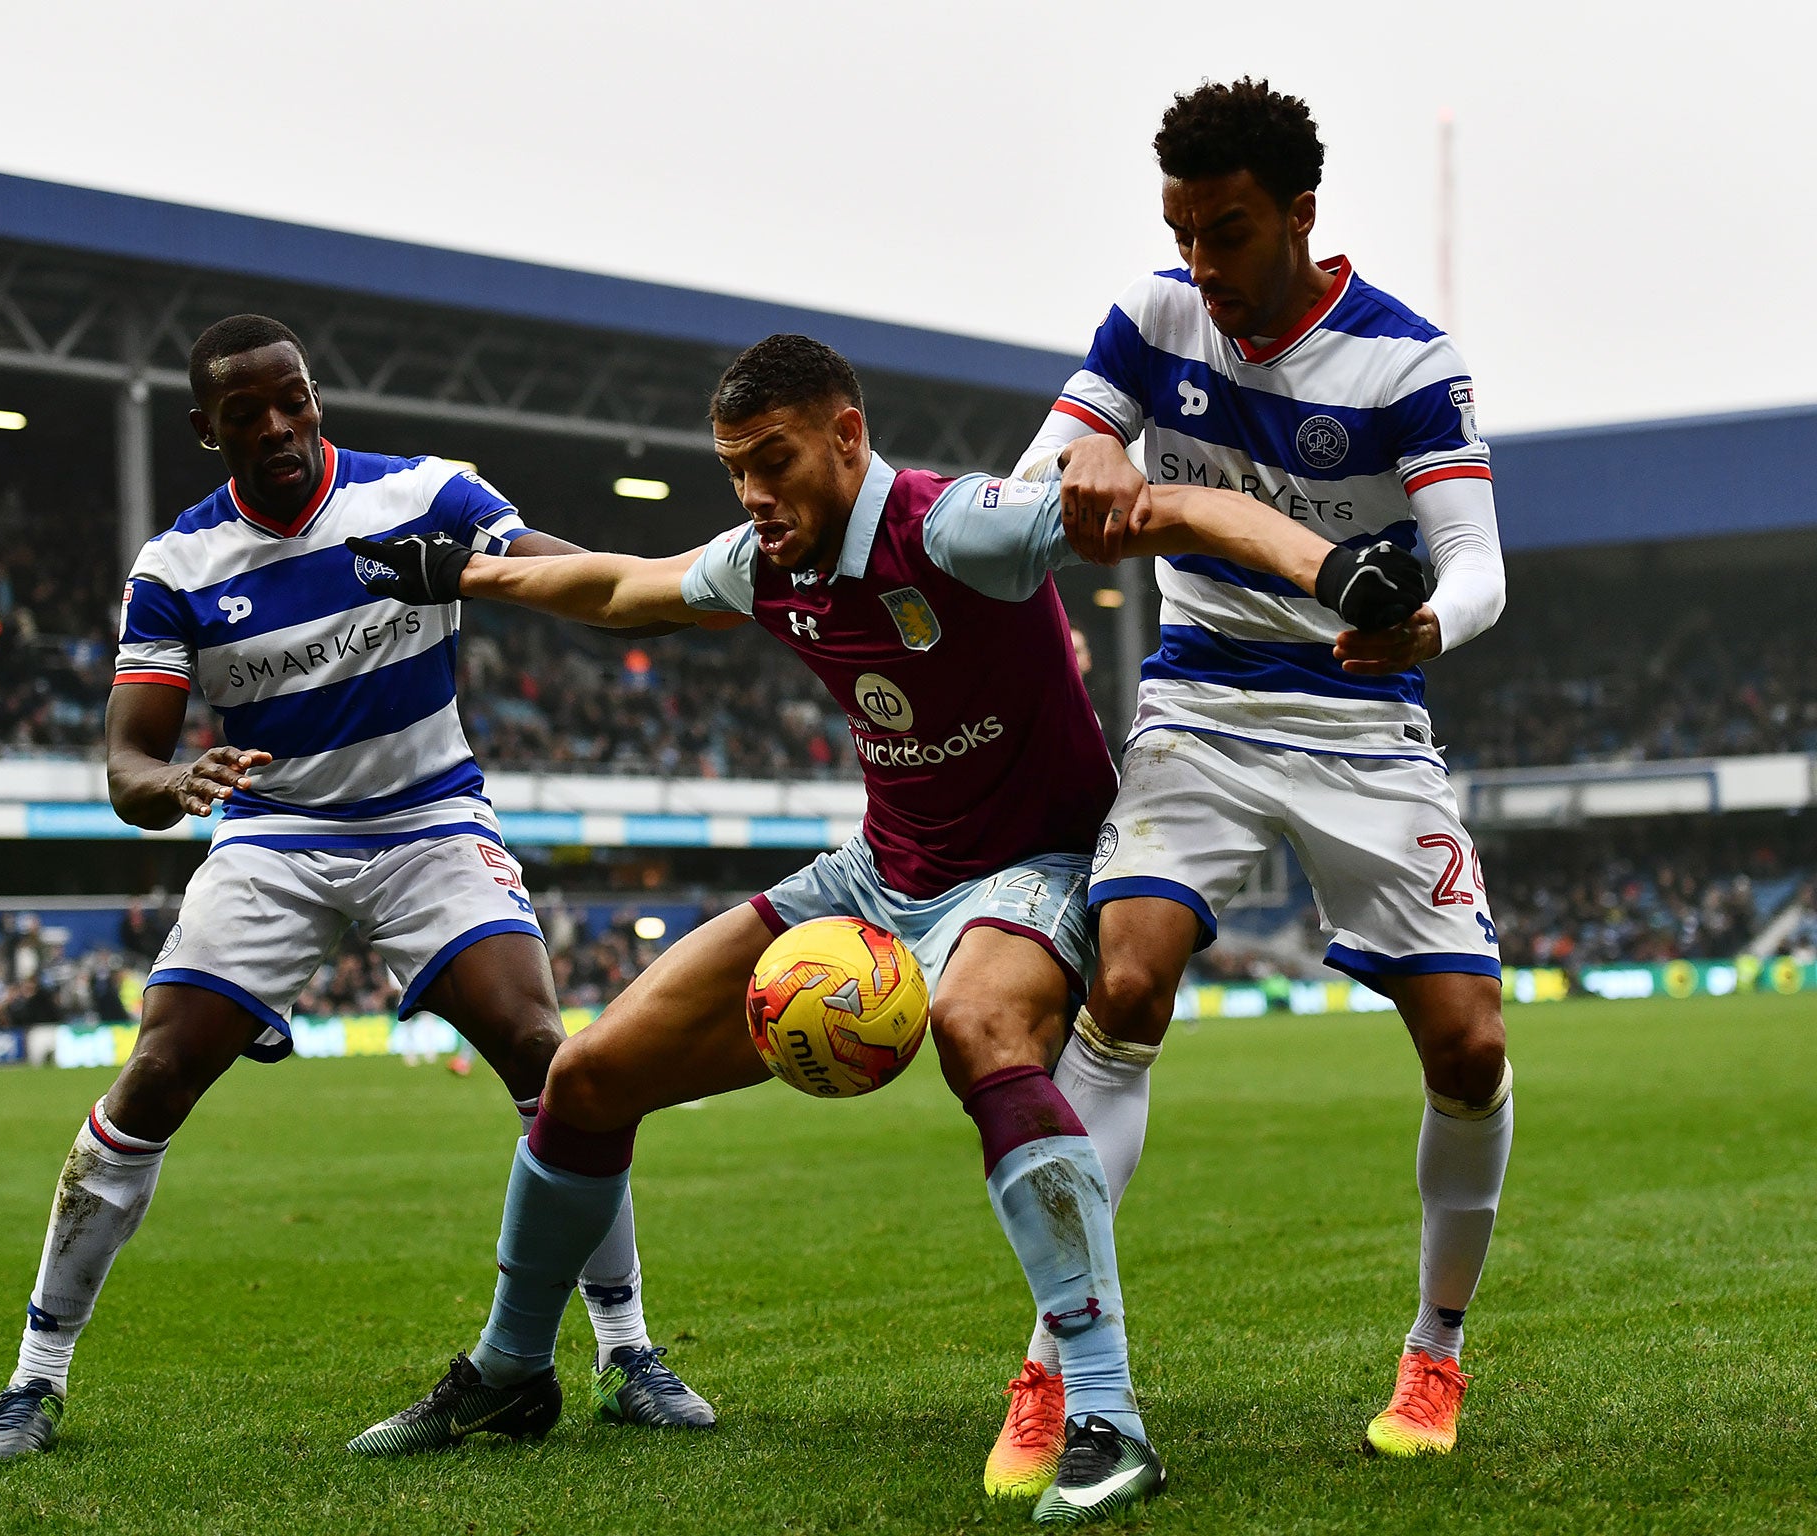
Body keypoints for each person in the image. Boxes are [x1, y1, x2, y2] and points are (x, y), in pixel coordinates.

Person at [340, 333, 1419, 1521]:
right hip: (874, 880)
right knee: (587, 1077)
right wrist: (465, 576)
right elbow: (614, 587)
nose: (752, 494)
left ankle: (1105, 1420)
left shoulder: (956, 528)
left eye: (773, 460)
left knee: (977, 1025)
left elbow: (1178, 509)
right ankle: (508, 1372)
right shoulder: (764, 562)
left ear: (844, 437)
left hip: (1033, 867)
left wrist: (1330, 574)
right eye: (732, 469)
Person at [0, 314, 710, 1462]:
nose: (275, 425)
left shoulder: (425, 495)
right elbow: (125, 765)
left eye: (291, 399)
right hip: (273, 836)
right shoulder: (176, 567)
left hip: (428, 819)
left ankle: (625, 1351)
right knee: (156, 1071)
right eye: (245, 412)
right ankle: (35, 1376)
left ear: (313, 397)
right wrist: (176, 778)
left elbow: (574, 576)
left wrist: (472, 569)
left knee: (543, 1052)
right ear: (205, 429)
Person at [983, 78, 1512, 1489]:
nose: (1202, 267)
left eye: (1227, 234)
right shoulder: (1154, 316)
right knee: (1128, 981)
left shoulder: (1408, 363)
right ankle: (1055, 1362)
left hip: (1363, 717)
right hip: (1202, 703)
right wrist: (1081, 460)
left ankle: (1436, 1349)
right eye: (1183, 232)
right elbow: (1052, 467)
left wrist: (1423, 626)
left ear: (1299, 213)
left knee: (1468, 1048)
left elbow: (1479, 563)